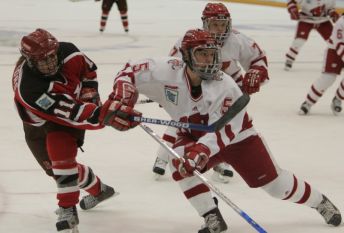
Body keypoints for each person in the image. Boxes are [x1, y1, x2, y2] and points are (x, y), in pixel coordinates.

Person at [102, 28, 342, 232]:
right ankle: (211, 216)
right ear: (186, 56)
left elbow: (226, 129)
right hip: (192, 136)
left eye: (212, 54)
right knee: (180, 165)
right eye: (202, 55)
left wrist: (201, 151)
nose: (210, 61)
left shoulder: (225, 85)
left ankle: (319, 202)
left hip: (240, 139)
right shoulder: (166, 69)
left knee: (276, 187)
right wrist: (123, 94)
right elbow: (129, 71)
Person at [11, 28, 141, 232]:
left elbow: (88, 69)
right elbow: (72, 112)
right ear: (29, 60)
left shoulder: (68, 52)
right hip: (37, 122)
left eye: (52, 56)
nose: (50, 63)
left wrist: (91, 94)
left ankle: (67, 208)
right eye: (42, 60)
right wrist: (105, 115)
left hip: (65, 113)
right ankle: (100, 191)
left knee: (60, 154)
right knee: (55, 170)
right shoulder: (31, 89)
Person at [152, 2, 269, 183]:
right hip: (195, 86)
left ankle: (222, 160)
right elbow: (172, 65)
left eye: (223, 25)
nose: (220, 30)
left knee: (228, 124)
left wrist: (256, 72)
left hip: (226, 89)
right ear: (205, 23)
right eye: (215, 24)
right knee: (182, 119)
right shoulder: (192, 40)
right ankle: (164, 154)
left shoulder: (237, 39)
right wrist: (167, 89)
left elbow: (258, 59)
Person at [299, 15, 344, 115]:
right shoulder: (341, 22)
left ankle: (338, 99)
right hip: (334, 51)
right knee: (328, 78)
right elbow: (339, 43)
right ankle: (308, 102)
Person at [285, 0, 339, 71]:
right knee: (299, 40)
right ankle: (289, 59)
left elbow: (330, 8)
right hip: (306, 20)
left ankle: (340, 60)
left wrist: (332, 13)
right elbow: (291, 1)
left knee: (333, 41)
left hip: (323, 21)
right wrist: (293, 9)